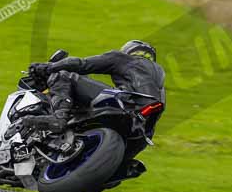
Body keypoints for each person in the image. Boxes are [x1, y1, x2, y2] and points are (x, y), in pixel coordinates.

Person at [21, 40, 165, 134]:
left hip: (127, 103)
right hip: (143, 129)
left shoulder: (124, 59)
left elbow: (81, 64)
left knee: (63, 75)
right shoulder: (159, 80)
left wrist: (48, 68)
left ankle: (58, 118)